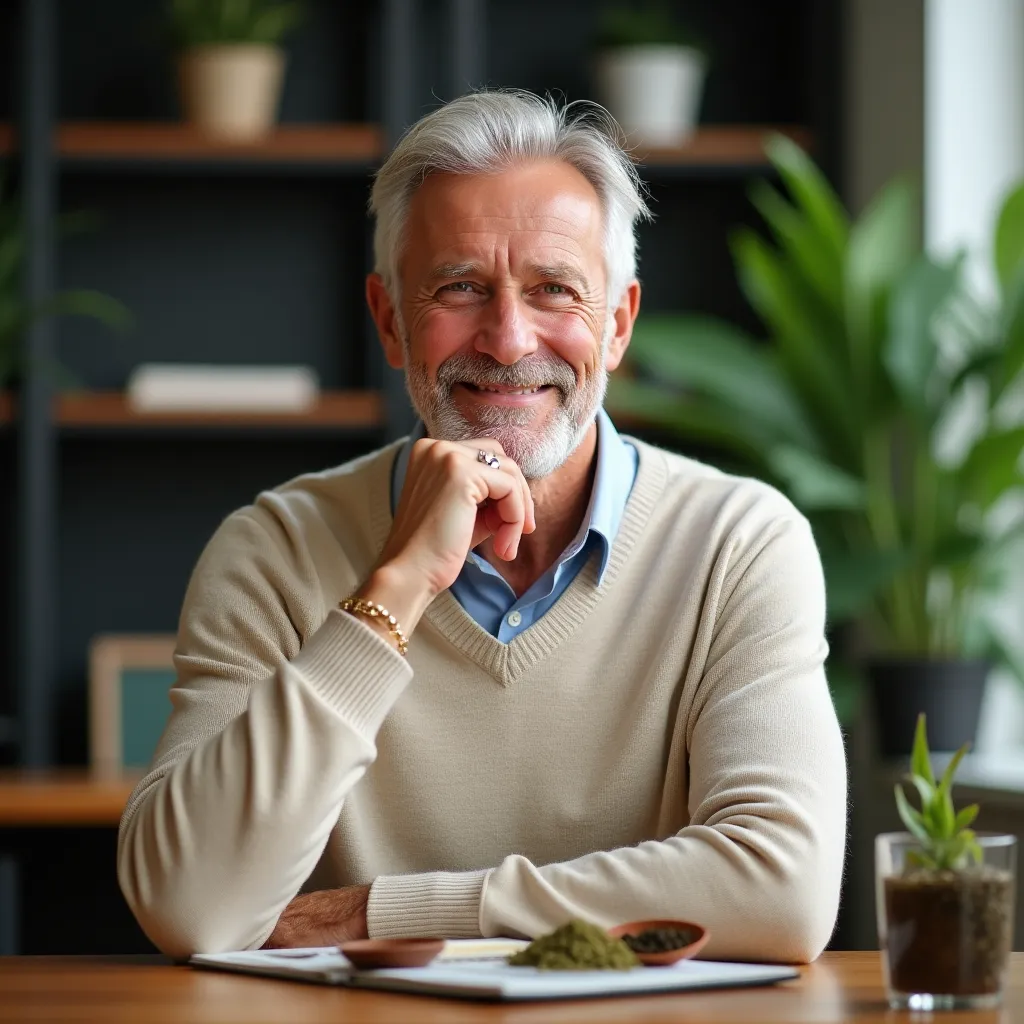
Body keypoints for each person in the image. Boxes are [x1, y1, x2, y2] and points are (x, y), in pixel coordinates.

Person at [117, 90, 847, 962]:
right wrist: (393, 591)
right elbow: (189, 907)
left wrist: (385, 912)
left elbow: (783, 890)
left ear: (617, 326)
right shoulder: (273, 550)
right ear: (391, 322)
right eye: (459, 288)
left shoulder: (739, 545)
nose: (507, 340)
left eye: (554, 290)